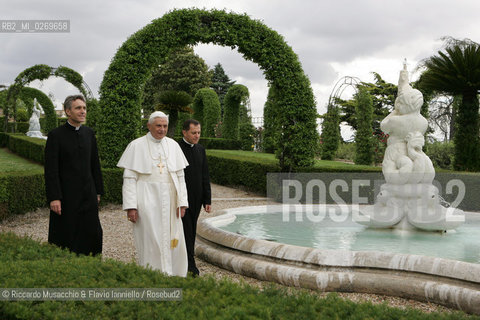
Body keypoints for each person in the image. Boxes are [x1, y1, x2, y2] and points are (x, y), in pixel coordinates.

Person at [117, 111, 189, 277]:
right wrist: (131, 207)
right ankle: (152, 274)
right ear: (149, 126)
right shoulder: (136, 145)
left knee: (174, 239)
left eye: (165, 126)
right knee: (150, 239)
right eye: (158, 126)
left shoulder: (173, 145)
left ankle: (175, 275)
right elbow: (129, 179)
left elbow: (180, 176)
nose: (162, 129)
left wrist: (182, 202)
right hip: (147, 199)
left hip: (171, 199)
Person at [44, 94, 104, 255]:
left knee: (92, 232)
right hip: (66, 196)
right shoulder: (55, 135)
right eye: (78, 108)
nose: (83, 111)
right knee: (67, 234)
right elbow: (51, 170)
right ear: (67, 111)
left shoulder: (89, 133)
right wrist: (54, 197)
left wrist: (97, 191)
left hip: (88, 193)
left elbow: (95, 165)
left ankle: (92, 265)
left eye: (84, 108)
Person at [178, 119, 211, 276]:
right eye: (194, 133)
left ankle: (187, 262)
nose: (197, 136)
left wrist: (207, 199)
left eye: (199, 132)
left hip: (197, 198)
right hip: (181, 198)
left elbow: (205, 175)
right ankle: (189, 265)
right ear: (184, 132)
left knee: (191, 230)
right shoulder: (176, 148)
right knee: (185, 231)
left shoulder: (200, 150)